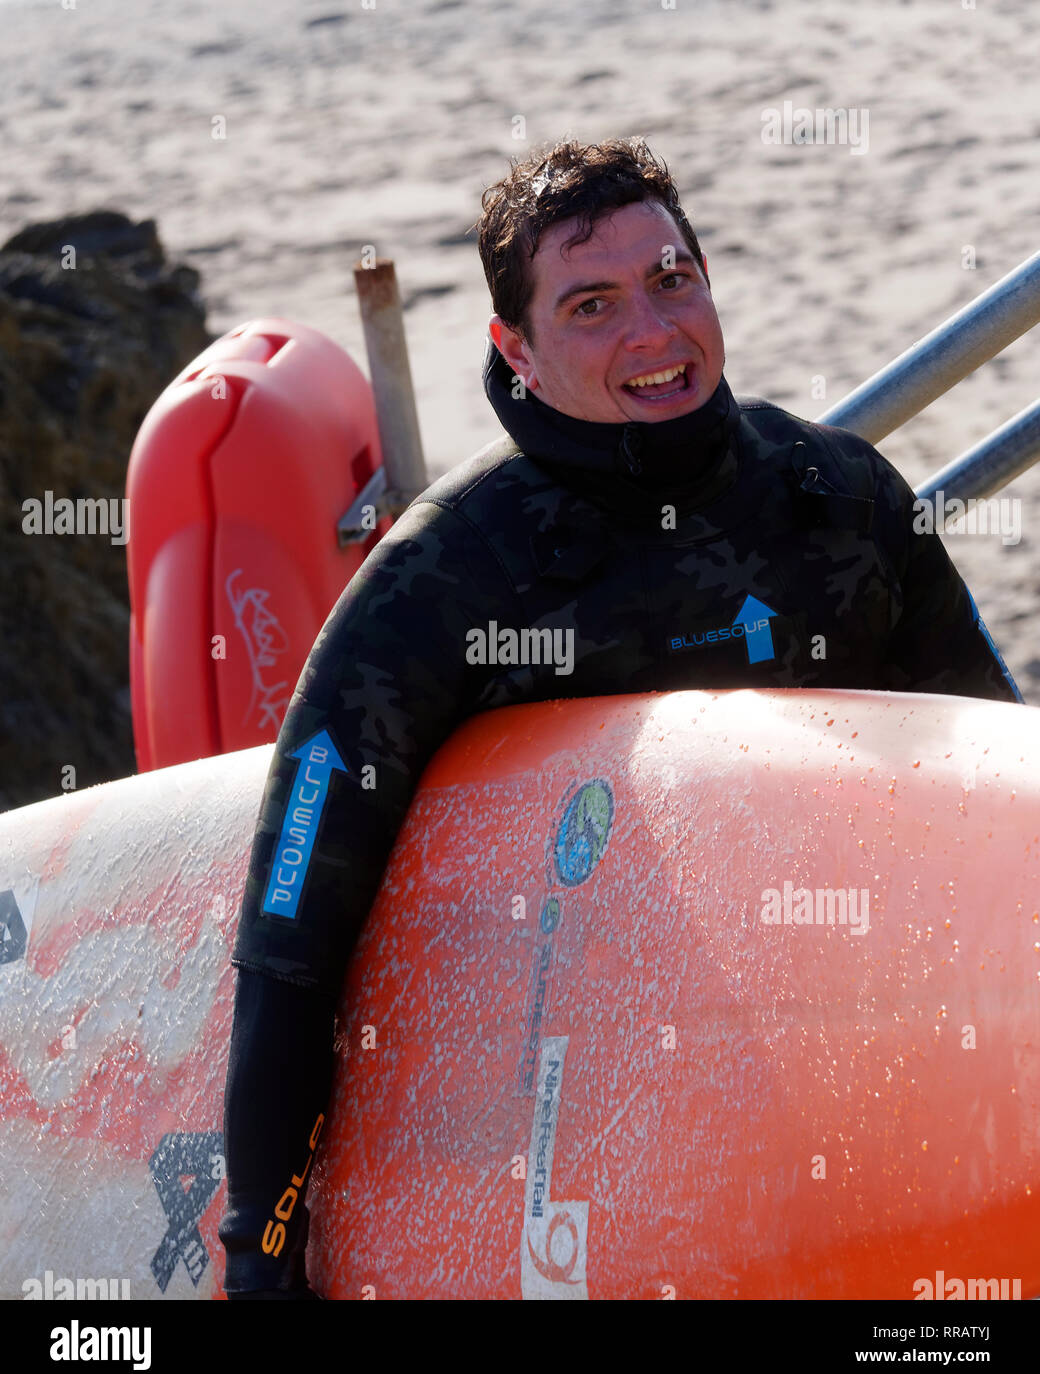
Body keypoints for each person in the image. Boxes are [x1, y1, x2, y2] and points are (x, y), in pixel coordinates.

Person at [218, 136, 1022, 1298]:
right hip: (569, 1138)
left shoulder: (839, 502)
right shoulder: (444, 579)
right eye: (590, 305)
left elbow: (991, 800)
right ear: (515, 349)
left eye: (670, 280)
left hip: (853, 1095)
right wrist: (261, 1252)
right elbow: (292, 927)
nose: (652, 334)